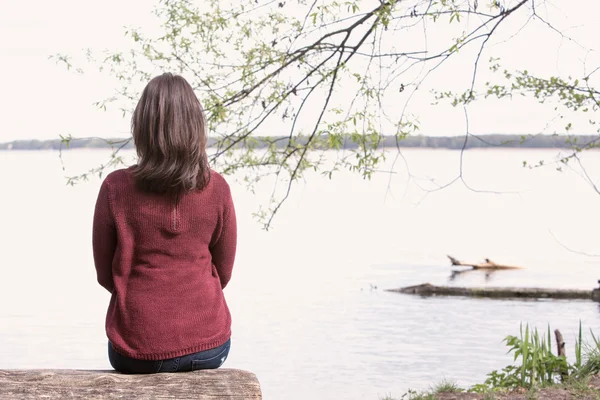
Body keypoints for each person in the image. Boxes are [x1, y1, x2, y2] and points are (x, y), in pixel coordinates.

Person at [92, 73, 237, 374]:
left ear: (142, 126)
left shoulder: (115, 188)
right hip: (209, 347)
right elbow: (223, 273)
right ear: (195, 126)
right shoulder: (218, 188)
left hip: (134, 350)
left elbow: (106, 275)